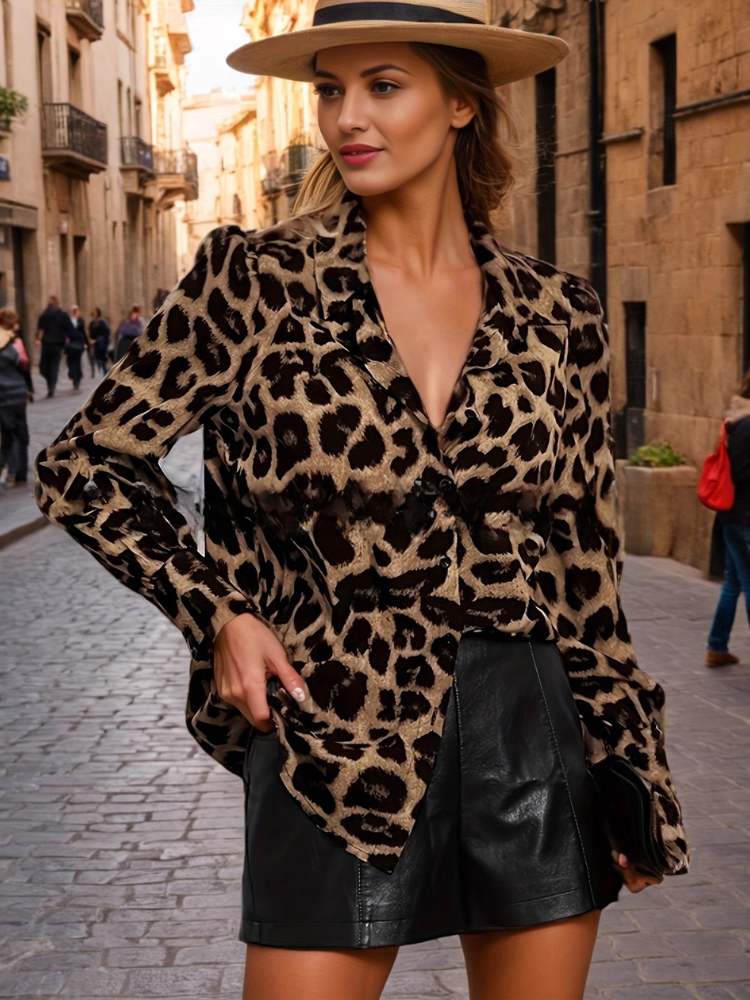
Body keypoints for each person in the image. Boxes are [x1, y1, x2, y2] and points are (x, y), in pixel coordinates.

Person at [34, 6, 690, 998]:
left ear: (462, 104)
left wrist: (630, 766)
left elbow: (584, 577)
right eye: (331, 89)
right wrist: (220, 612)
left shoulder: (559, 315)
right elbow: (87, 465)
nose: (348, 115)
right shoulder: (252, 282)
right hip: (331, 732)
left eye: (384, 85)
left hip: (529, 730)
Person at [705, 374, 750, 667]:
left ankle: (716, 647)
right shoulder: (747, 425)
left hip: (731, 516)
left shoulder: (734, 423)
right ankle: (716, 647)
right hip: (746, 517)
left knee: (733, 582)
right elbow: (744, 473)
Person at [0, 309, 31, 488]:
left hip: (3, 395)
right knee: (21, 432)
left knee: (8, 433)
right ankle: (20, 473)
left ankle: (11, 470)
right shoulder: (16, 341)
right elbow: (25, 365)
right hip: (19, 393)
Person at [36, 295, 73, 398]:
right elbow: (40, 328)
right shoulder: (45, 314)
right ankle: (51, 383)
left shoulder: (61, 314)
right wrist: (38, 339)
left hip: (55, 344)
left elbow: (69, 329)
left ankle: (51, 387)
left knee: (50, 366)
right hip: (48, 343)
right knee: (47, 367)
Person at [64, 304, 87, 391]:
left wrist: (86, 343)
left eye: (75, 310)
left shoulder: (80, 320)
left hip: (78, 344)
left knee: (77, 361)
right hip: (70, 344)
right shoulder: (67, 320)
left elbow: (83, 332)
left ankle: (77, 378)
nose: (74, 312)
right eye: (72, 311)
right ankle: (73, 375)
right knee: (70, 361)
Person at [89, 307, 111, 377]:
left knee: (103, 357)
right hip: (95, 343)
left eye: (95, 312)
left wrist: (102, 339)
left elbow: (107, 332)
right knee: (97, 357)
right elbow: (91, 334)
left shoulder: (102, 322)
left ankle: (105, 370)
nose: (94, 313)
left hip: (102, 343)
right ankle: (101, 369)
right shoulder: (92, 323)